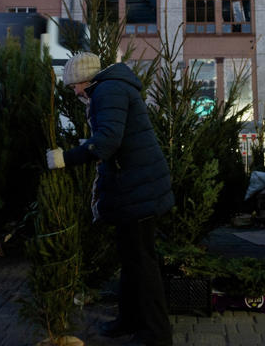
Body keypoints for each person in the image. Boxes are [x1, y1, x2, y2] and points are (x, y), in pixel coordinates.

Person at [46, 52, 174, 346]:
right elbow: (116, 135)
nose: (74, 91)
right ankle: (129, 320)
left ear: (85, 79)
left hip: (138, 189)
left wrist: (64, 158)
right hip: (134, 186)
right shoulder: (110, 88)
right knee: (131, 260)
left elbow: (107, 142)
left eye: (74, 85)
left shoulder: (107, 90)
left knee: (142, 263)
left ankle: (156, 334)